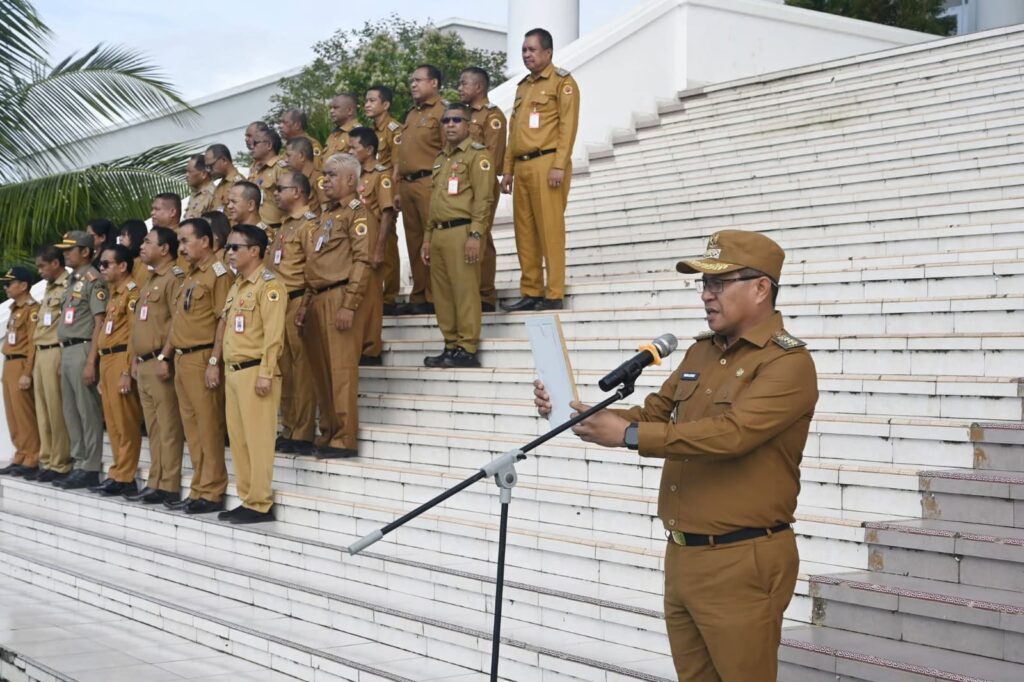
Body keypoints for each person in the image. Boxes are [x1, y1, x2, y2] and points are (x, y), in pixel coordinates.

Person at [533, 230, 818, 681]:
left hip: (741, 559)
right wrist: (577, 413)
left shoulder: (788, 363)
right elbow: (653, 414)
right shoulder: (702, 352)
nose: (706, 294)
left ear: (761, 288)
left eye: (718, 283)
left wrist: (628, 435)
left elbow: (732, 435)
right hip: (684, 553)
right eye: (704, 283)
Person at [295, 153, 376, 459]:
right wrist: (305, 303)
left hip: (340, 296)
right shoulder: (326, 215)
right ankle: (328, 431)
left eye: (331, 175)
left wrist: (350, 305)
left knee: (341, 371)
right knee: (321, 372)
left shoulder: (358, 214)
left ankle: (344, 438)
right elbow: (314, 263)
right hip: (317, 297)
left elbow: (363, 261)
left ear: (351, 180)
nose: (324, 180)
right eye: (324, 175)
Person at [501, 28, 580, 312]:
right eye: (524, 50)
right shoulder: (522, 87)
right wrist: (507, 170)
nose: (527, 54)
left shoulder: (562, 82)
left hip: (547, 163)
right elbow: (513, 132)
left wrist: (559, 164)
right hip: (522, 166)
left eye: (532, 50)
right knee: (525, 232)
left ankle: (554, 292)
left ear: (548, 52)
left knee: (550, 230)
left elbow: (568, 126)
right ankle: (531, 291)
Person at [159, 218, 231, 514]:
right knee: (193, 429)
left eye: (186, 241)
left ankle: (212, 491)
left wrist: (214, 361)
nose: (181, 247)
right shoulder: (189, 275)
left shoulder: (218, 273)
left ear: (205, 241)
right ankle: (198, 488)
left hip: (202, 358)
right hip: (182, 359)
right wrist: (166, 356)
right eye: (179, 242)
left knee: (208, 428)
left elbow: (223, 320)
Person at [215, 225, 286, 524]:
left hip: (256, 370)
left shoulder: (269, 286)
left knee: (258, 441)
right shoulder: (237, 285)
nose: (229, 253)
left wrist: (266, 373)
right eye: (228, 247)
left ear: (255, 251)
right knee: (239, 440)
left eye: (235, 247)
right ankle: (248, 499)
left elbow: (274, 334)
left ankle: (260, 502)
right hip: (234, 371)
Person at [421, 104, 495, 369]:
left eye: (456, 120)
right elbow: (435, 202)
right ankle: (450, 344)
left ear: (469, 125)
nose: (450, 125)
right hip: (439, 232)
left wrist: (476, 234)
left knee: (464, 291)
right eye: (446, 121)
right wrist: (427, 237)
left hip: (462, 231)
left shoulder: (477, 155)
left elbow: (484, 199)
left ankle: (467, 346)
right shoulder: (441, 159)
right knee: (442, 295)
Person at [127, 227, 186, 505]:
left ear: (164, 249)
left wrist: (165, 357)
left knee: (168, 427)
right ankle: (155, 481)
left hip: (160, 361)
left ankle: (169, 484)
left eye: (148, 242)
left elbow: (177, 321)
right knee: (153, 428)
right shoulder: (150, 279)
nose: (142, 246)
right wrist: (135, 360)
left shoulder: (174, 278)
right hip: (144, 362)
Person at [267, 171, 317, 455]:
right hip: (278, 305)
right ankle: (289, 427)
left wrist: (307, 303)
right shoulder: (285, 225)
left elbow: (313, 268)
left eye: (280, 188)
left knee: (302, 370)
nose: (275, 193)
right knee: (284, 368)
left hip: (297, 300)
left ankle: (303, 430)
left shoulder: (309, 224)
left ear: (297, 192)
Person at [54, 231, 106, 490]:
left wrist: (91, 361)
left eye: (70, 249)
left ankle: (91, 466)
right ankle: (79, 461)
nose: (65, 254)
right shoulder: (72, 280)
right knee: (71, 410)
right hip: (68, 349)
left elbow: (99, 322)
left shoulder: (93, 279)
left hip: (84, 347)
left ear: (85, 251)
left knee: (88, 410)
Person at [90, 244, 143, 497]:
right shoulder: (114, 293)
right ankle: (117, 471)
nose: (101, 268)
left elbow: (134, 333)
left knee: (125, 422)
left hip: (122, 357)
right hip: (108, 360)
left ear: (122, 266)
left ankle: (126, 475)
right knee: (112, 422)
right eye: (100, 264)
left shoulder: (132, 292)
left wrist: (126, 370)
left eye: (106, 264)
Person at [395, 65, 446, 315]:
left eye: (418, 80)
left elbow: (448, 152)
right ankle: (419, 295)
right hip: (407, 185)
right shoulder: (411, 115)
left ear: (434, 83)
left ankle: (435, 296)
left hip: (430, 183)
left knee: (432, 242)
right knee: (414, 242)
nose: (413, 84)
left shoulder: (443, 112)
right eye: (411, 80)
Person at [459, 67, 506, 313]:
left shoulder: (492, 115)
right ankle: (469, 289)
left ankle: (486, 293)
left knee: (481, 236)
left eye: (464, 83)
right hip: (460, 187)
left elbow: (493, 158)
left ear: (478, 87)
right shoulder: (462, 115)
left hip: (482, 184)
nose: (459, 88)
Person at [349, 126, 393, 365]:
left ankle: (372, 347)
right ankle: (359, 344)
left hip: (372, 239)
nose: (350, 151)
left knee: (373, 296)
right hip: (355, 242)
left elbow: (387, 212)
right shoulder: (354, 175)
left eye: (353, 147)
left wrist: (379, 248)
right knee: (358, 293)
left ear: (368, 149)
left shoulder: (380, 175)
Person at [31, 246, 72, 483]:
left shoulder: (68, 285)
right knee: (43, 410)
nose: (40, 271)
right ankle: (46, 459)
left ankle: (60, 461)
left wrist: (64, 356)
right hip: (40, 350)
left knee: (56, 410)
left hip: (56, 349)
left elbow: (68, 323)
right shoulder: (49, 287)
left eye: (42, 266)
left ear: (55, 263)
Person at [0, 266, 40, 478]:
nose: (6, 288)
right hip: (10, 363)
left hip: (21, 362)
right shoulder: (15, 309)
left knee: (24, 414)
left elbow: (33, 343)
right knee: (13, 414)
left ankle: (32, 455)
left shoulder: (31, 310)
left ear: (24, 285)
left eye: (10, 283)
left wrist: (27, 371)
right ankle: (20, 453)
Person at [248, 128, 288, 229]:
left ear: (269, 145)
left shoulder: (280, 168)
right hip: (258, 228)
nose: (251, 147)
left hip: (277, 227)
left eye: (255, 143)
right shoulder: (255, 171)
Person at [284, 137, 328, 211]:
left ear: (301, 155)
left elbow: (325, 209)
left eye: (289, 156)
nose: (285, 160)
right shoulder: (297, 179)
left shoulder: (318, 178)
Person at [365, 85, 400, 169]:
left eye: (372, 101)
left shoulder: (395, 130)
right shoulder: (370, 130)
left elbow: (398, 165)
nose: (367, 105)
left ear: (385, 105)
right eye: (366, 101)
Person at [205, 144, 245, 213]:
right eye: (207, 167)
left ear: (224, 160)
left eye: (211, 166)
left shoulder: (239, 184)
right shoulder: (220, 185)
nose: (209, 170)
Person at [324, 93, 359, 160]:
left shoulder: (358, 133)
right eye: (330, 108)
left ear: (349, 110)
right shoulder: (333, 134)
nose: (331, 111)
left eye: (336, 108)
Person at [119, 219, 151, 287]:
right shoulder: (126, 260)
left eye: (123, 235)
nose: (120, 238)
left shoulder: (145, 262)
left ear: (135, 235)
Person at [183, 154, 217, 220]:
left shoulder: (212, 195)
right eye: (186, 171)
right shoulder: (195, 193)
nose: (186, 175)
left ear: (203, 174)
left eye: (190, 172)